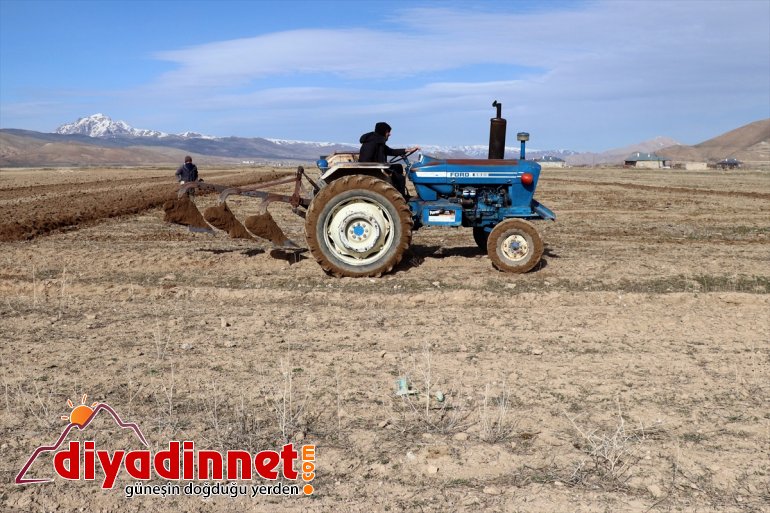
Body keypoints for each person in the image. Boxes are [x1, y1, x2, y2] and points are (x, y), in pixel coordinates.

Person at [358, 122, 419, 197]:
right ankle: (400, 197)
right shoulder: (371, 143)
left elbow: (391, 151)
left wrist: (408, 150)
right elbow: (364, 161)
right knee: (399, 178)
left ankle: (401, 194)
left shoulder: (379, 142)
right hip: (374, 171)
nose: (389, 134)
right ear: (383, 131)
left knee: (398, 167)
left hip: (379, 167)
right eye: (388, 132)